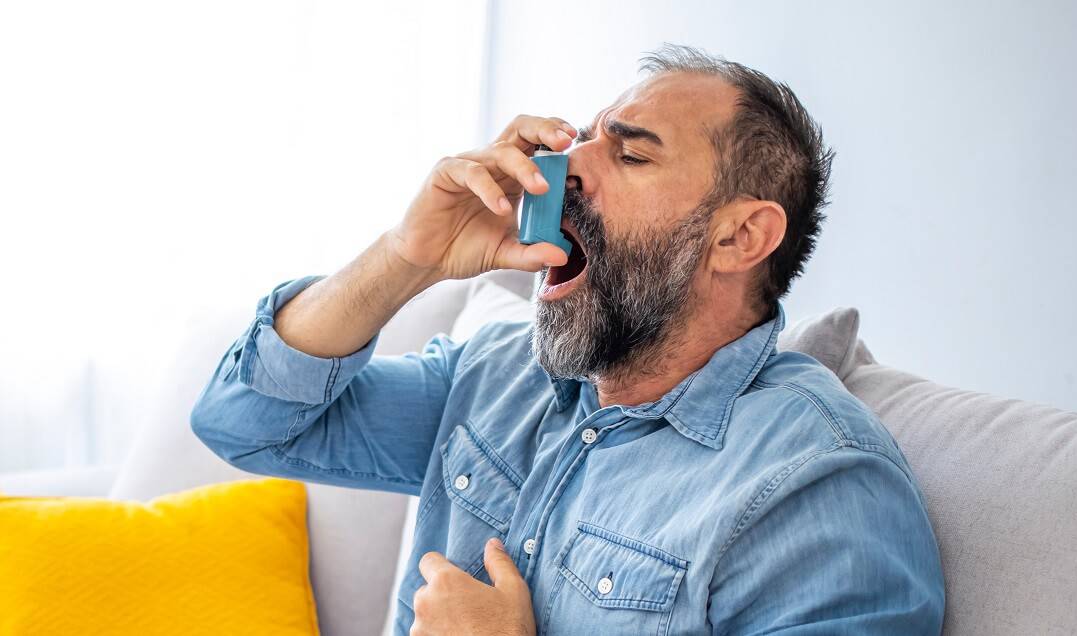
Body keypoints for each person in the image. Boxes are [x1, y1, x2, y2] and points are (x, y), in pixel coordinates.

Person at [191, 44, 945, 635]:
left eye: (630, 153)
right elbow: (242, 422)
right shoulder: (498, 373)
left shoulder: (815, 489)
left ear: (739, 236)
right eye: (577, 143)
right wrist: (407, 254)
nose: (557, 172)